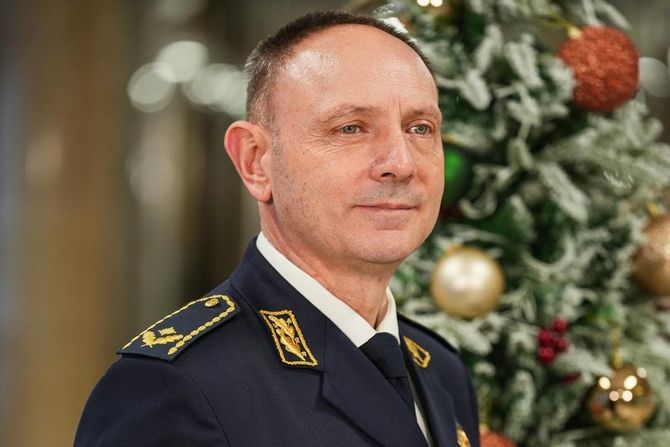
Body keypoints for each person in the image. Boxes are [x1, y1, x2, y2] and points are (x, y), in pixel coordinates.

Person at [75, 11, 479, 447]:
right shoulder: (173, 388)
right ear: (255, 161)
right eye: (350, 128)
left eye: (420, 128)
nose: (400, 163)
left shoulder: (441, 370)